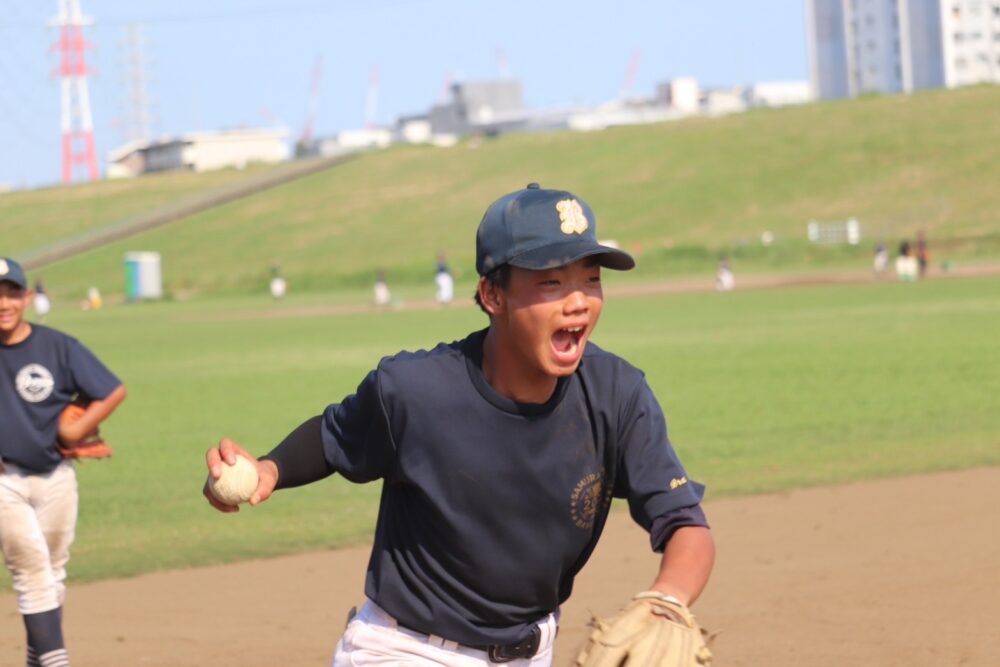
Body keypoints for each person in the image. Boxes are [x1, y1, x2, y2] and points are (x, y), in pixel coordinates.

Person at [203, 183, 714, 666]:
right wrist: (268, 469)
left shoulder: (616, 396)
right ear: (493, 295)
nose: (577, 299)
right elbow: (334, 435)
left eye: (591, 279)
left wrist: (667, 599)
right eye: (551, 282)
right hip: (405, 650)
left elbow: (685, 524)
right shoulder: (415, 390)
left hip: (533, 651)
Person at [0, 257, 127, 667]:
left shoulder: (57, 346)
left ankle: (39, 660)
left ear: (27, 296)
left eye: (11, 293)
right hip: (5, 482)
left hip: (56, 476)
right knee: (32, 571)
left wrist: (77, 430)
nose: (4, 303)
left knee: (52, 572)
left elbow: (112, 389)